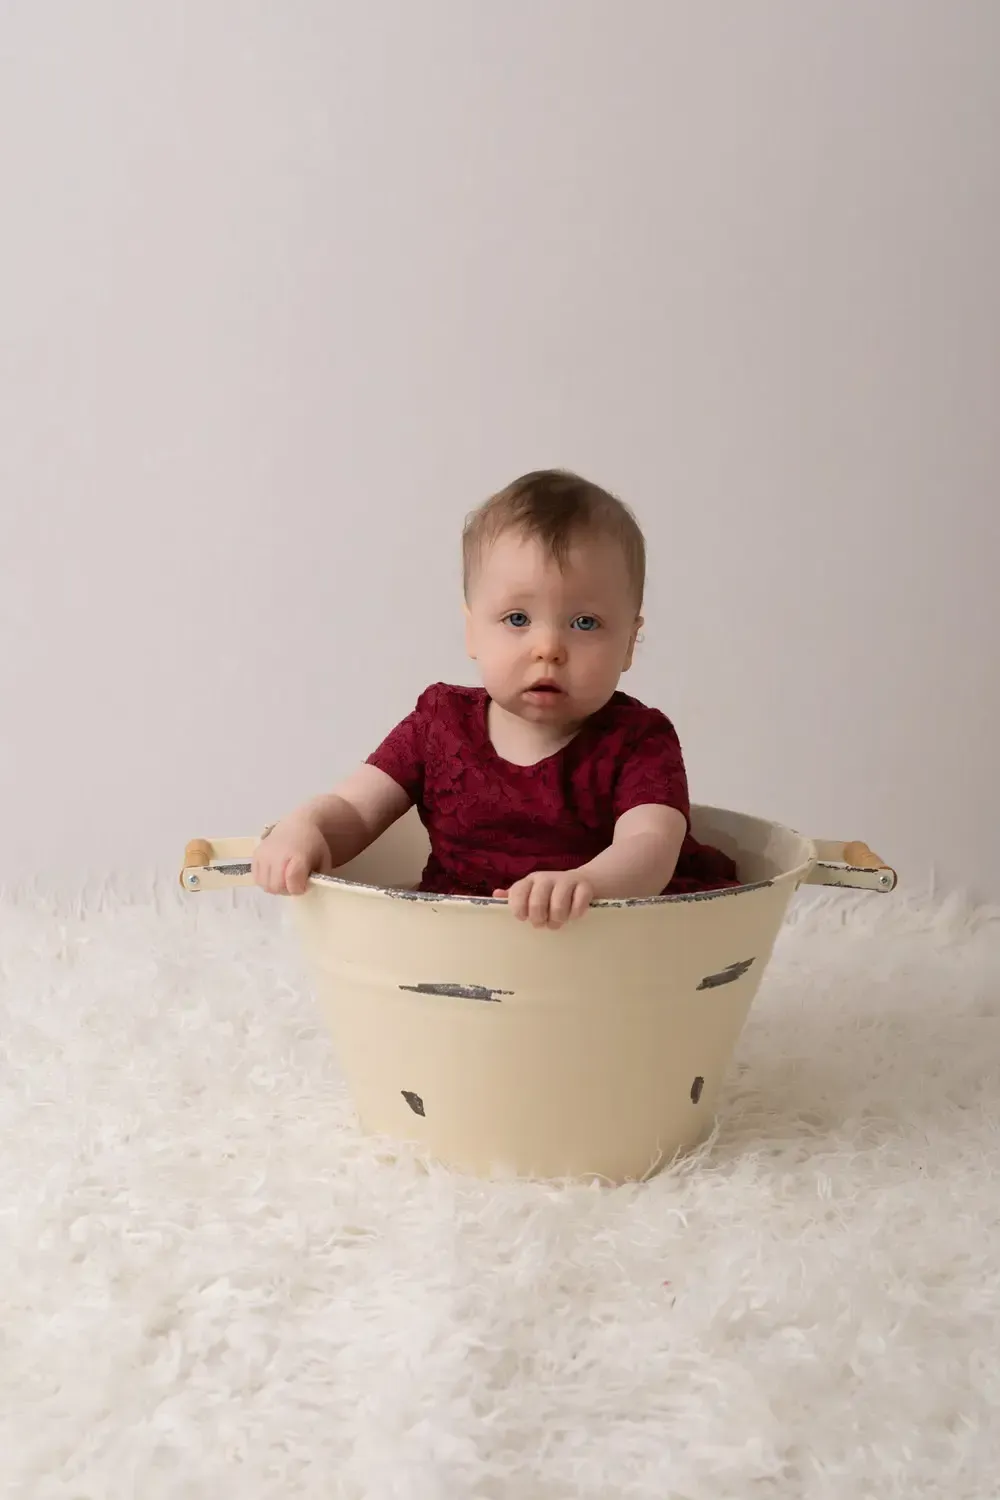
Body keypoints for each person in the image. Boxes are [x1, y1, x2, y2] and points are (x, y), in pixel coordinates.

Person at [252, 469, 738, 928]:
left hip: (599, 942)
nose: (548, 648)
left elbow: (651, 845)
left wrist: (589, 883)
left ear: (630, 642)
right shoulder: (439, 725)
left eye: (584, 622)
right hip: (463, 941)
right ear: (472, 631)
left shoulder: (638, 741)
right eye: (517, 619)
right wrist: (306, 827)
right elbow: (355, 809)